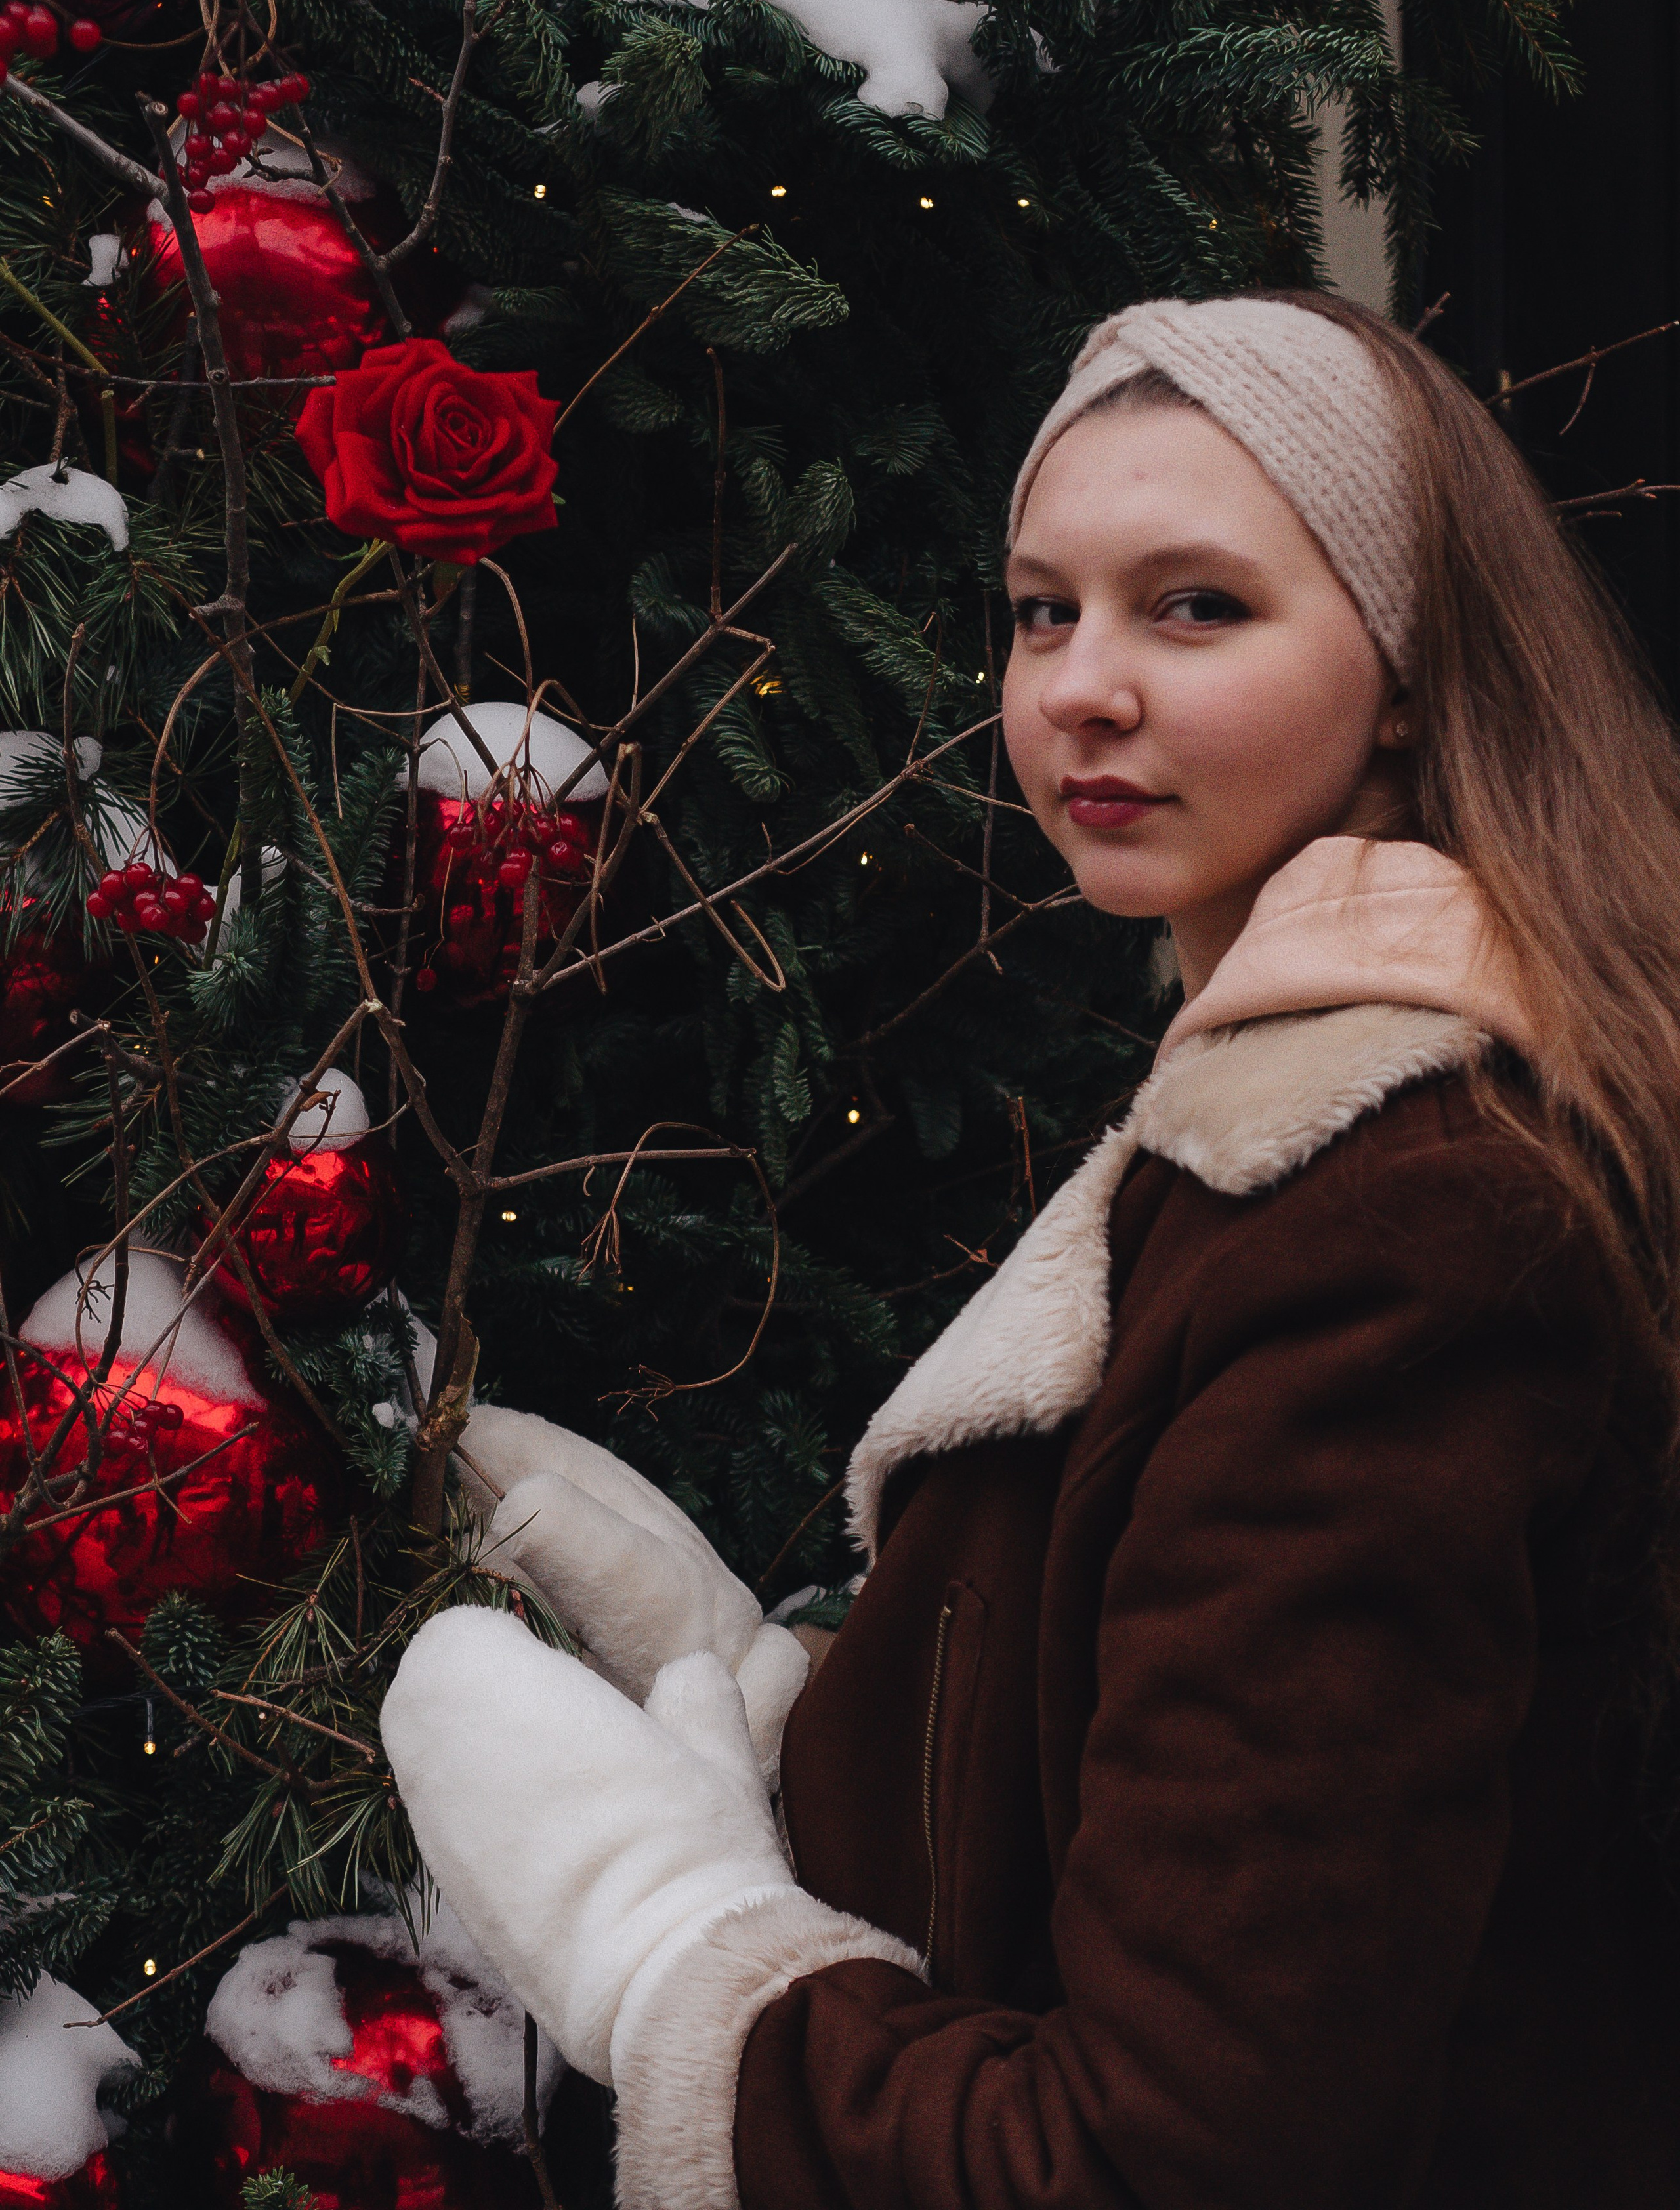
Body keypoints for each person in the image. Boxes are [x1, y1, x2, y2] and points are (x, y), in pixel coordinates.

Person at [381, 291, 1680, 2209]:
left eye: (1196, 606)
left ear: (1409, 669)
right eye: (1042, 608)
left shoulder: (1406, 1223)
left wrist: (665, 1954)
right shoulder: (1292, 1109)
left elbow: (1172, 2158)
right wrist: (788, 1696)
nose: (1080, 685)